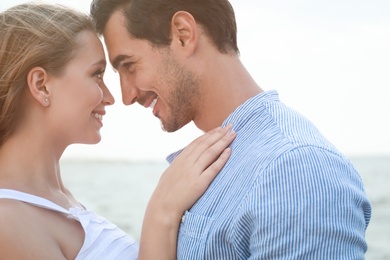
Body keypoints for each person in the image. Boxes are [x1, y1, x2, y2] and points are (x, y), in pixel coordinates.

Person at [90, 0, 372, 258]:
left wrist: (160, 216)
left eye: (129, 66)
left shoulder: (295, 169)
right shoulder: (223, 159)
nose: (126, 96)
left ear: (183, 34)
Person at [0, 3, 236, 259]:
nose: (112, 97)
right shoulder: (7, 223)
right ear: (41, 86)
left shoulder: (59, 200)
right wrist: (161, 214)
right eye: (96, 75)